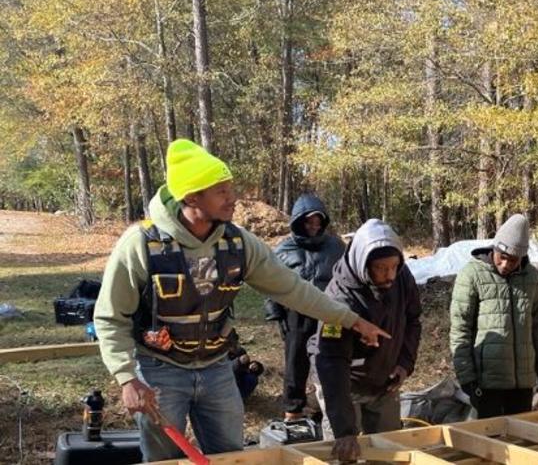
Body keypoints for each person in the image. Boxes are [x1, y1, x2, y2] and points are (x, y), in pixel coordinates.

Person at [93, 139, 389, 462]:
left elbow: (293, 289)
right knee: (166, 461)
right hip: (159, 371)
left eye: (231, 188)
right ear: (192, 196)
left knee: (232, 457)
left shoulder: (238, 244)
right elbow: (110, 317)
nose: (232, 198)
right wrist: (127, 377)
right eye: (221, 191)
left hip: (217, 369)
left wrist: (351, 320)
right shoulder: (140, 245)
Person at [310, 218, 421, 462]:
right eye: (381, 268)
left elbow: (413, 320)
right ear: (364, 264)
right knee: (344, 453)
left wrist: (405, 363)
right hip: (343, 385)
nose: (390, 275)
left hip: (384, 382)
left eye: (394, 266)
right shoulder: (339, 298)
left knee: (388, 452)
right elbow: (331, 362)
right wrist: (344, 430)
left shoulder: (401, 276)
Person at [449, 214, 538, 418]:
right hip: (487, 381)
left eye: (512, 260)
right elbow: (460, 330)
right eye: (501, 257)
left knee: (521, 440)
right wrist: (466, 376)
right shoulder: (472, 275)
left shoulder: (531, 277)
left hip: (521, 381)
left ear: (522, 257)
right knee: (490, 442)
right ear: (494, 248)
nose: (505, 264)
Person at [265, 194, 346, 420]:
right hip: (297, 315)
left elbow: (347, 277)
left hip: (329, 312)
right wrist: (275, 313)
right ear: (299, 221)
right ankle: (293, 408)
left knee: (330, 357)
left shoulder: (336, 246)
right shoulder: (284, 249)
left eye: (318, 221)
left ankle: (331, 402)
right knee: (296, 361)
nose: (314, 226)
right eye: (309, 221)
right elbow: (271, 282)